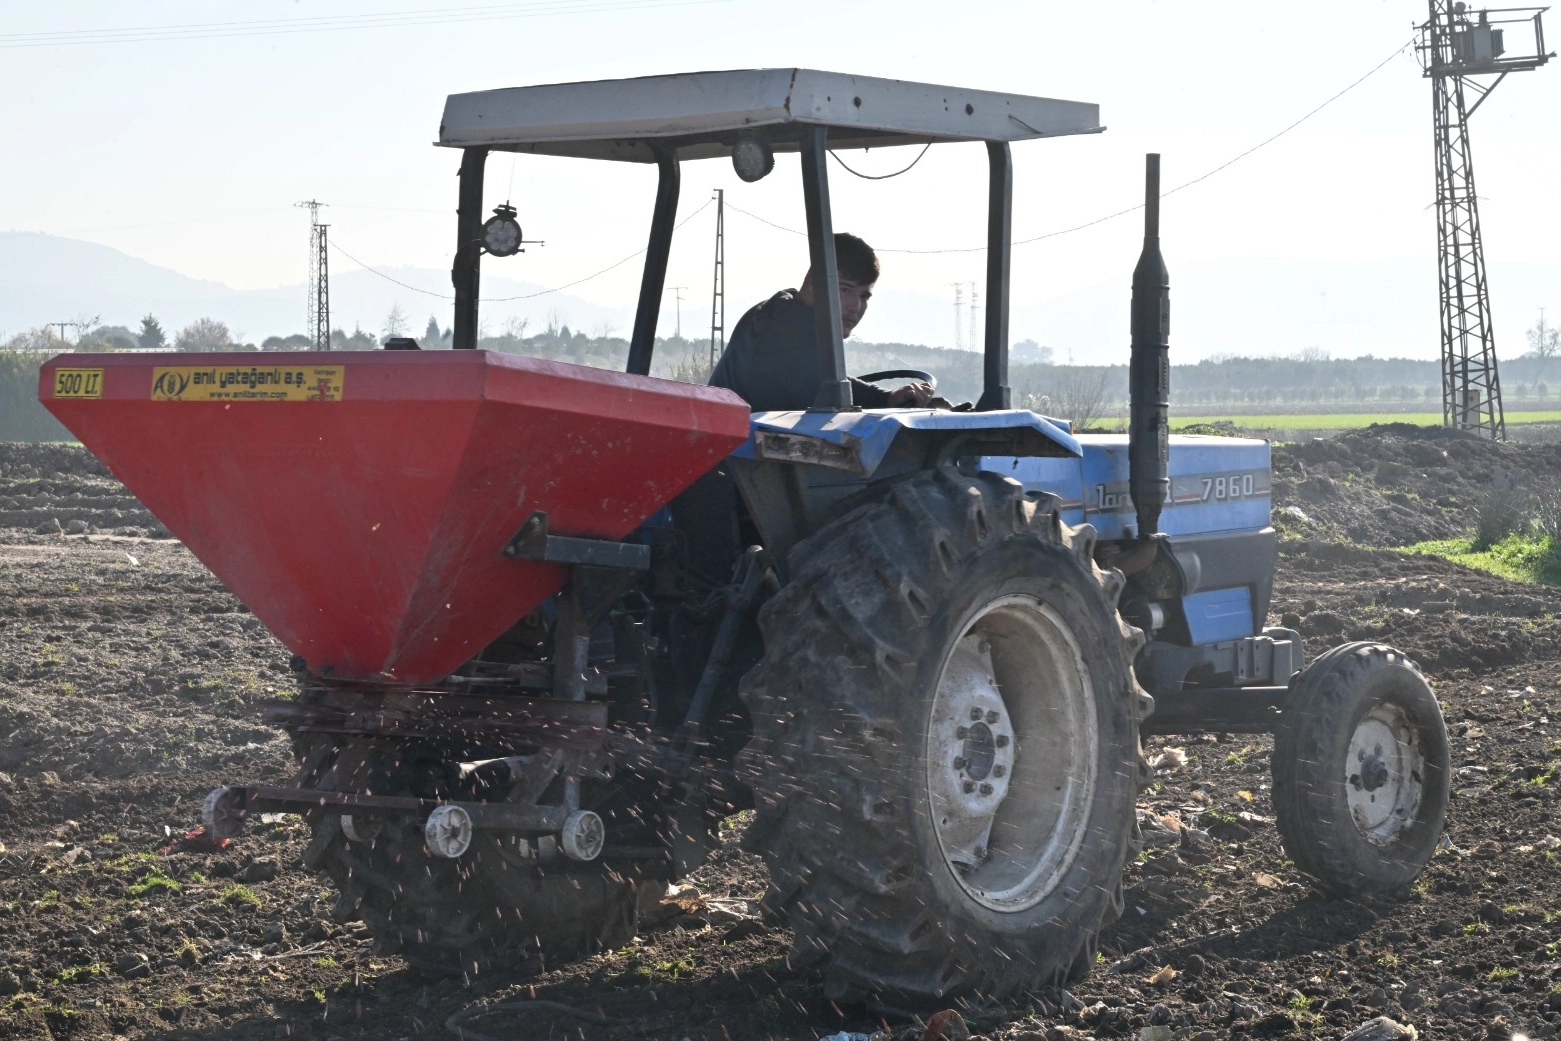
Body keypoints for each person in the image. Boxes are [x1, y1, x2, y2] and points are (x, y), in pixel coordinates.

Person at [708, 233, 934, 411]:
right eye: (845, 290)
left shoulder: (781, 313)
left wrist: (886, 398)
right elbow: (831, 404)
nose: (855, 306)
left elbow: (827, 380)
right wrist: (882, 401)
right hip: (738, 452)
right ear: (814, 284)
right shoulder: (786, 332)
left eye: (864, 296)